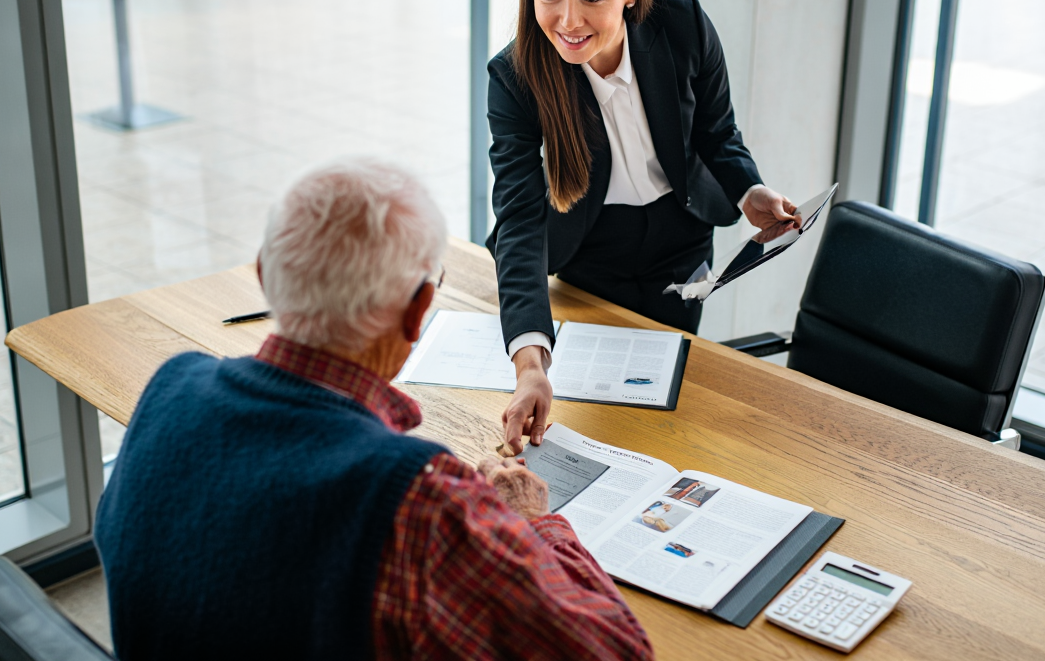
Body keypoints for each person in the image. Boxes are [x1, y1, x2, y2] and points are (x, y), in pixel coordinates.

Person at [94, 158, 653, 661]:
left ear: (265, 274)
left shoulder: (170, 385)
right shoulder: (419, 498)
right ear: (419, 312)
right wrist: (530, 523)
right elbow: (618, 653)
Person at [486, 0, 801, 455]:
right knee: (592, 422)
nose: (569, 19)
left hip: (680, 243)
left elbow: (716, 132)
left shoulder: (682, 25)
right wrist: (529, 364)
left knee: (669, 418)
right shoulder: (515, 77)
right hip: (588, 252)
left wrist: (747, 190)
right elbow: (518, 219)